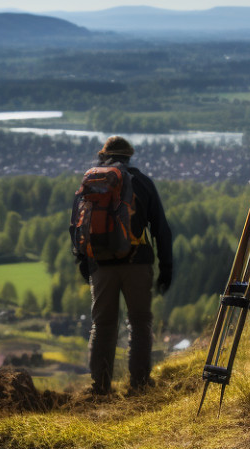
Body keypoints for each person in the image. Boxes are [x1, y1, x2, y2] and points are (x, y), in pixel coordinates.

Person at [70, 135, 174, 396]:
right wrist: (166, 267)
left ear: (103, 156)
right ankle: (138, 386)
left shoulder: (91, 182)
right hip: (137, 262)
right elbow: (161, 229)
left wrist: (85, 262)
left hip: (100, 264)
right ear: (130, 156)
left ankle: (100, 387)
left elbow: (76, 226)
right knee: (139, 324)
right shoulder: (142, 182)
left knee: (102, 325)